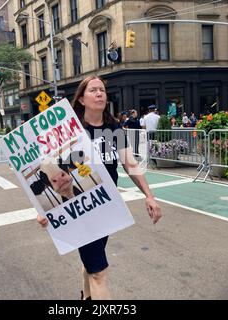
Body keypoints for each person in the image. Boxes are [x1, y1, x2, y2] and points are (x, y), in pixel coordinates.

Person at [36, 76, 162, 300]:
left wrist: (149, 196)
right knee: (100, 273)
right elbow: (49, 169)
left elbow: (130, 164)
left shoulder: (114, 128)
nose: (99, 94)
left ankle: (85, 297)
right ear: (82, 99)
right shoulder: (70, 132)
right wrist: (43, 211)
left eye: (102, 90)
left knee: (92, 263)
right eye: (93, 90)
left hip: (105, 206)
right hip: (78, 210)